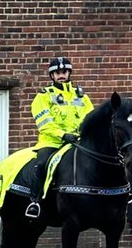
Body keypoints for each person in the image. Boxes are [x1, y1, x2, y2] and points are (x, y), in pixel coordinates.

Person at [25, 55, 92, 218]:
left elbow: (90, 119)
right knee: (41, 164)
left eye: (64, 72)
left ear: (69, 74)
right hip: (52, 143)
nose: (61, 75)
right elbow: (44, 123)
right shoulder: (43, 96)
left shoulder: (81, 96)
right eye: (57, 73)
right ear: (52, 76)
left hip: (77, 142)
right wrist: (63, 135)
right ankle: (34, 202)